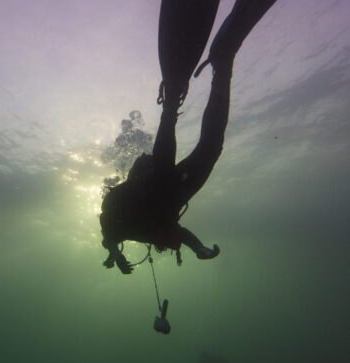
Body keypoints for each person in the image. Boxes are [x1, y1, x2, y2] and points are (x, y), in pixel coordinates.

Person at [100, 0, 277, 274]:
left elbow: (108, 239)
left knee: (160, 173)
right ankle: (222, 65)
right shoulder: (167, 228)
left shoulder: (133, 230)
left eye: (169, 243)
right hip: (173, 191)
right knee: (211, 148)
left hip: (145, 190)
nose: (174, 240)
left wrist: (117, 258)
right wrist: (200, 249)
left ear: (158, 241)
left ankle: (171, 101)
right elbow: (184, 236)